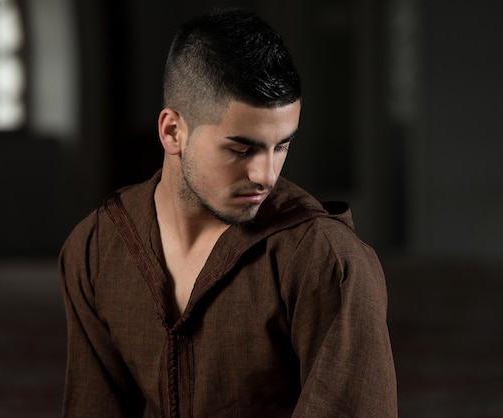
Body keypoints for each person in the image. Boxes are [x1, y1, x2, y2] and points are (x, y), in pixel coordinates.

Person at [58, 8, 397, 418]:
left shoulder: (326, 261)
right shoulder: (97, 247)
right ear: (172, 132)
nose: (266, 175)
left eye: (282, 146)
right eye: (241, 149)